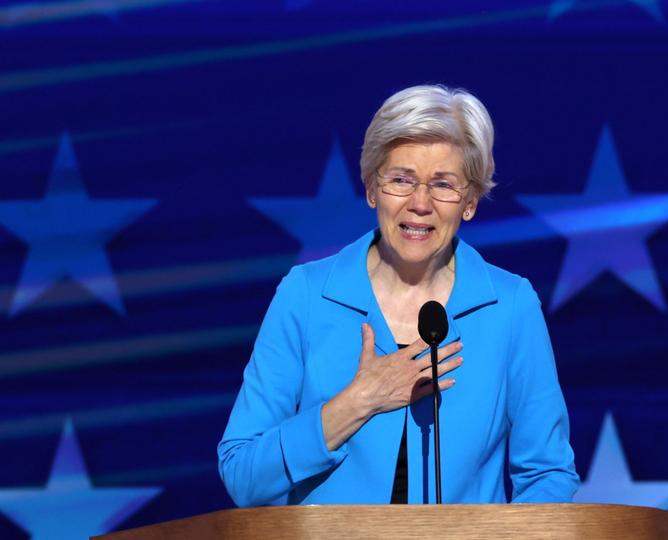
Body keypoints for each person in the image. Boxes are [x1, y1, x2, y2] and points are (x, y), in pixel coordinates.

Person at [217, 85, 579, 506]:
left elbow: (548, 474)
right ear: (372, 188)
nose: (420, 203)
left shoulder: (510, 305)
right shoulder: (307, 295)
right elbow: (243, 477)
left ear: (470, 202)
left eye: (443, 184)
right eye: (401, 180)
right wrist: (358, 401)